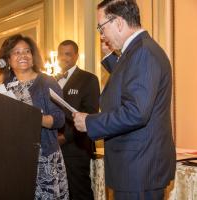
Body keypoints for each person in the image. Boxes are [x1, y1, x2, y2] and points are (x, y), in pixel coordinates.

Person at [73, 0, 176, 199]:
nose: (101, 35)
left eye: (101, 27)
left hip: (139, 167)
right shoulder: (138, 50)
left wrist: (89, 122)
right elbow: (129, 81)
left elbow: (136, 112)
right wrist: (111, 58)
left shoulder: (143, 52)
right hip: (136, 165)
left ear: (118, 22)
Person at [0, 34, 69, 199]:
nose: (23, 55)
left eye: (27, 51)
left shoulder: (46, 82)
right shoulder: (4, 87)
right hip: (14, 157)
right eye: (16, 52)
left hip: (43, 157)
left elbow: (59, 118)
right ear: (7, 59)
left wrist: (33, 118)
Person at [56, 40, 100, 200]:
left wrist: (64, 138)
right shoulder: (52, 80)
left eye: (67, 54)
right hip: (54, 149)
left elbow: (90, 114)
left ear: (76, 56)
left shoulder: (88, 80)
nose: (63, 57)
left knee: (79, 193)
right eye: (60, 54)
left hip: (76, 149)